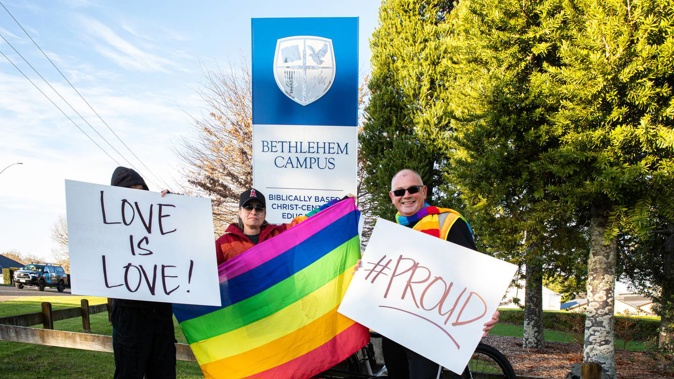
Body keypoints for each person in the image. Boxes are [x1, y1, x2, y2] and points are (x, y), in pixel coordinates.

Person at [383, 168, 500, 379]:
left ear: (424, 191)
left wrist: (487, 307)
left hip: (431, 332)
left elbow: (473, 270)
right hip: (395, 329)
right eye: (399, 192)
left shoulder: (447, 222)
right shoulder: (393, 234)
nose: (406, 195)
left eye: (413, 189)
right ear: (392, 197)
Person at [109, 166, 176, 379]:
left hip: (160, 310)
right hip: (129, 311)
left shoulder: (159, 218)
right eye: (131, 191)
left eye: (141, 191)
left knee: (164, 373)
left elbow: (182, 240)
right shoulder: (108, 223)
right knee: (129, 372)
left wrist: (177, 206)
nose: (137, 197)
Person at [215, 188, 337, 265]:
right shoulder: (223, 244)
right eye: (248, 207)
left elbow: (307, 221)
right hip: (241, 305)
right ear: (239, 212)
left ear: (264, 213)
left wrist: (337, 204)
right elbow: (205, 271)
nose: (254, 211)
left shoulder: (280, 234)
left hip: (279, 305)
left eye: (259, 208)